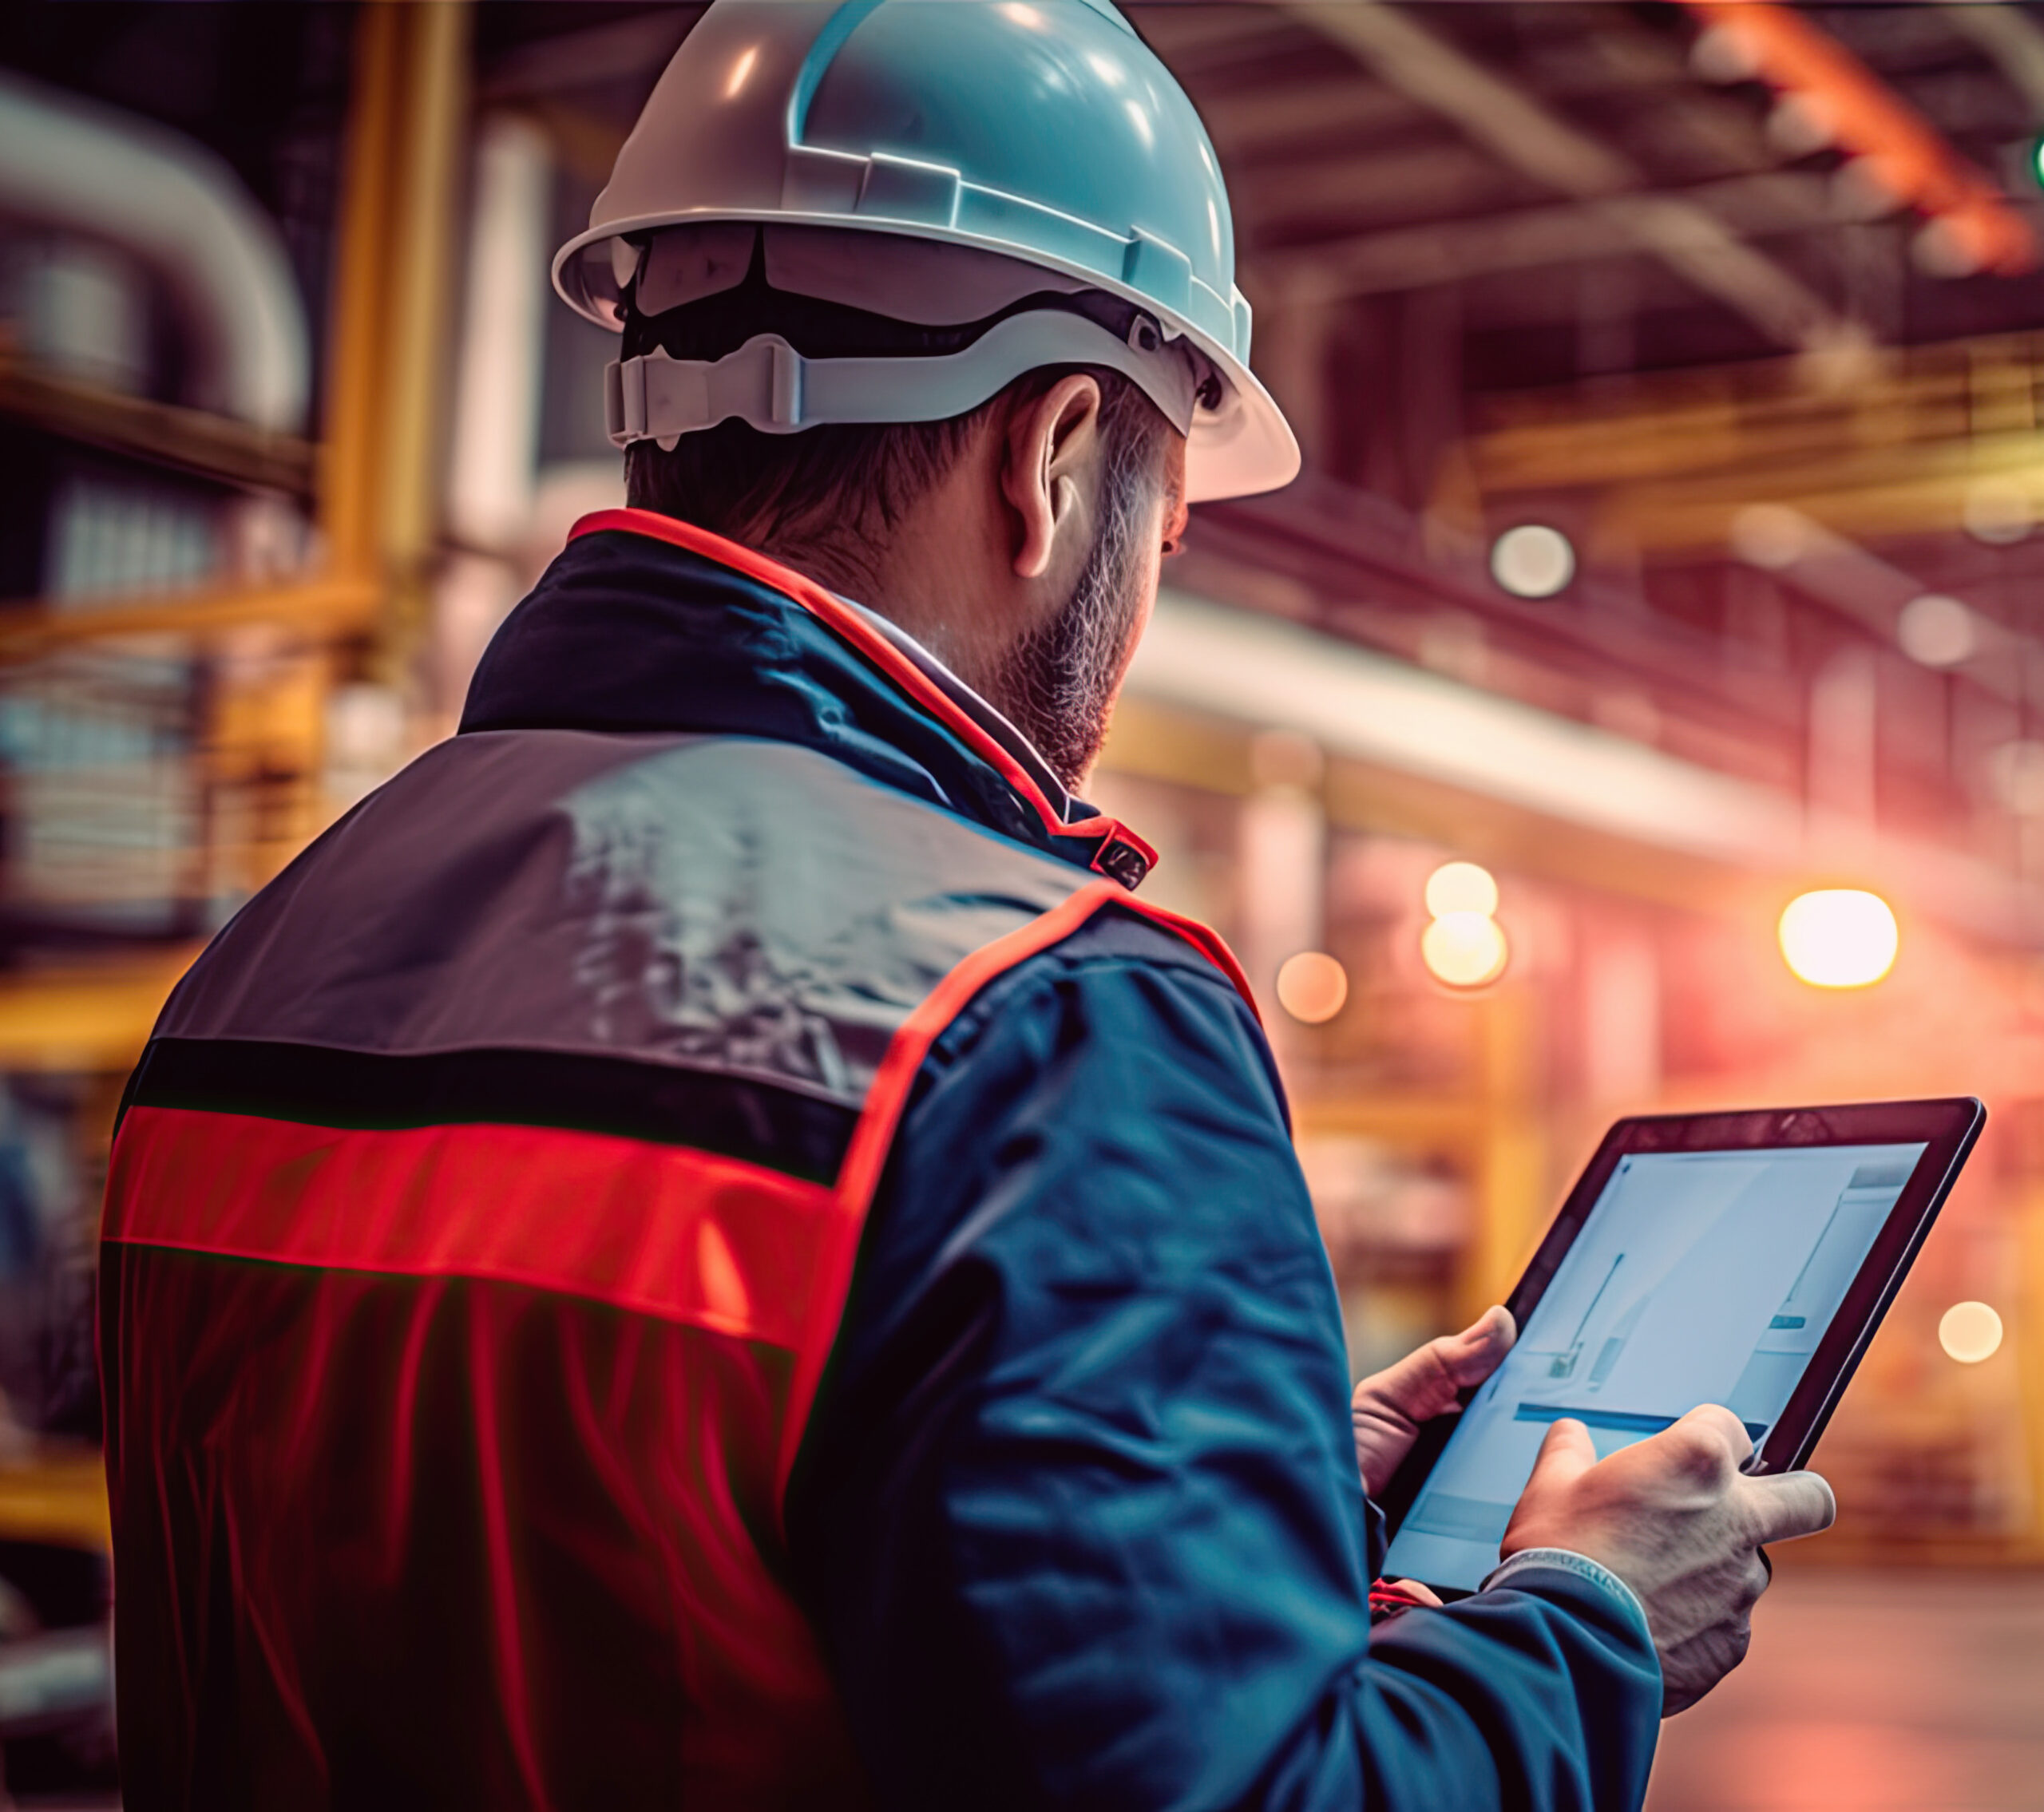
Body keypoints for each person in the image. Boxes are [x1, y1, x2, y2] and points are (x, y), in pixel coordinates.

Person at [97, 2, 1834, 1806]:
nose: (1148, 580)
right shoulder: (1031, 1020)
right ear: (1055, 455)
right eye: (1162, 523)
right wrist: (1577, 1621)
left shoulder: (268, 950)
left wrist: (1246, 1492)